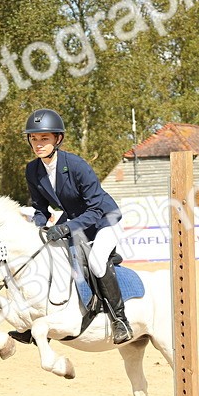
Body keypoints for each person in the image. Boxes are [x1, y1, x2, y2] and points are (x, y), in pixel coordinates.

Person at [23, 108, 133, 344]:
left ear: (58, 139)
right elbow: (40, 209)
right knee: (49, 256)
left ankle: (120, 320)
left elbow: (95, 209)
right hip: (75, 219)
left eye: (44, 138)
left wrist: (65, 228)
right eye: (34, 138)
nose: (38, 144)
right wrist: (37, 229)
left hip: (105, 218)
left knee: (96, 261)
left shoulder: (76, 165)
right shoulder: (33, 170)